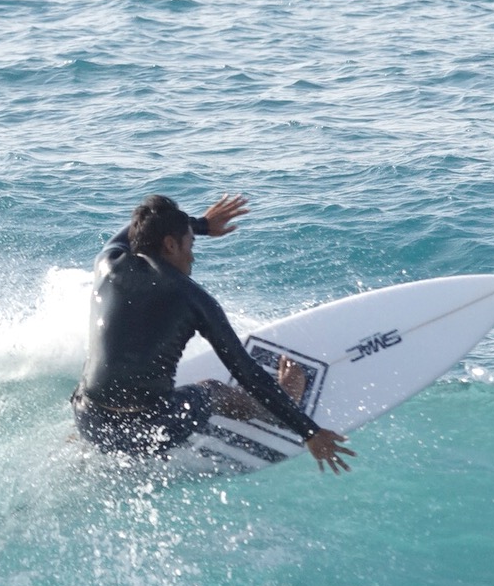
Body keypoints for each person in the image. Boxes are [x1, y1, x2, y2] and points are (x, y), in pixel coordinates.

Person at [72, 193, 355, 474]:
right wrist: (309, 432)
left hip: (88, 421)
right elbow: (247, 373)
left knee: (99, 382)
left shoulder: (107, 263)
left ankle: (89, 441)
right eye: (190, 243)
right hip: (150, 433)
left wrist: (202, 225)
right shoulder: (193, 299)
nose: (192, 256)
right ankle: (275, 410)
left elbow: (133, 230)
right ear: (170, 244)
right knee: (213, 390)